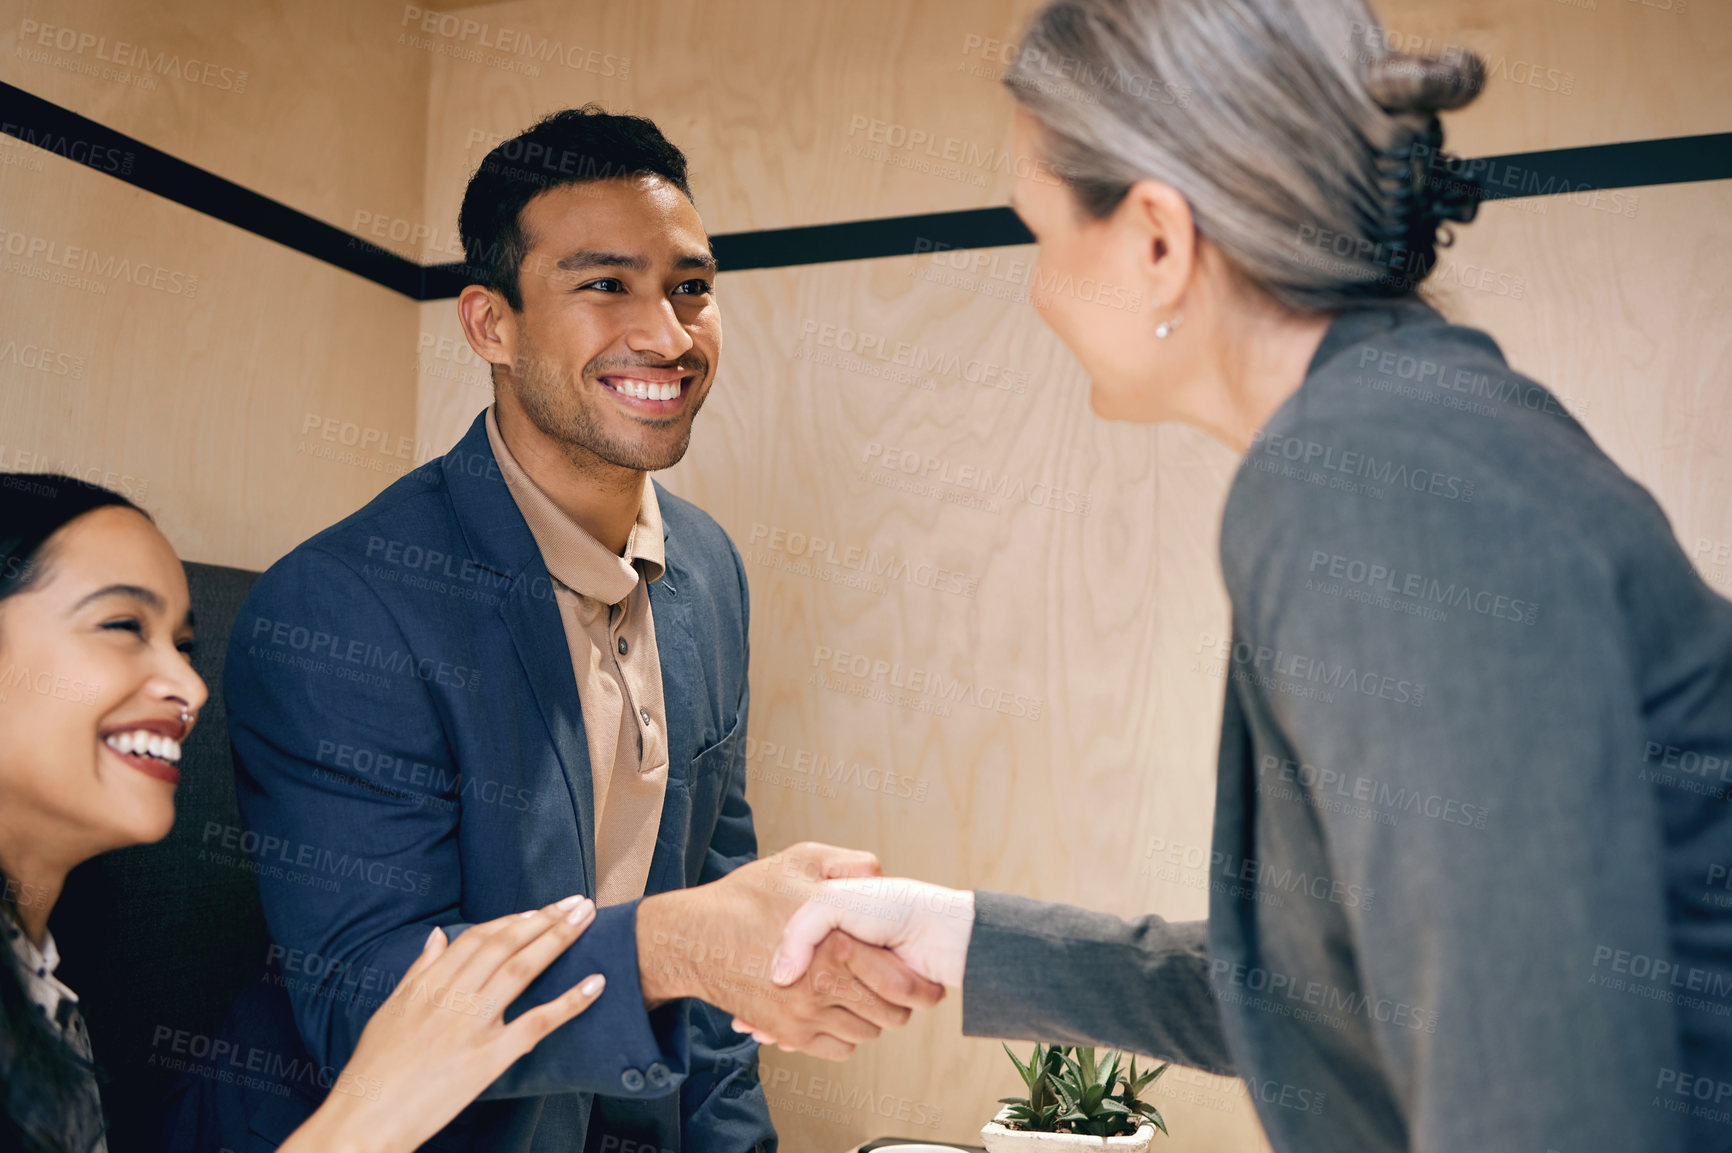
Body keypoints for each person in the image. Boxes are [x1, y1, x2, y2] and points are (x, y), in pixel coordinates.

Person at [763, 2, 1732, 1151]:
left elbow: (1544, 1093)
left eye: (1039, 232)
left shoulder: (1369, 479)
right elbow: (1344, 997)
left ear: (1158, 243)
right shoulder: (1406, 429)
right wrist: (966, 936)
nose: (1035, 290)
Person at [175, 108, 943, 1153]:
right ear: (490, 323)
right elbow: (375, 1009)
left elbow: (724, 963)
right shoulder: (341, 605)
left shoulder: (709, 570)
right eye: (603, 284)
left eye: (690, 287)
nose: (668, 336)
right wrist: (681, 945)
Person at [0, 475, 609, 1153]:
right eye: (121, 626)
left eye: (183, 645)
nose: (191, 687)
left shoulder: (43, 986)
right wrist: (374, 1109)